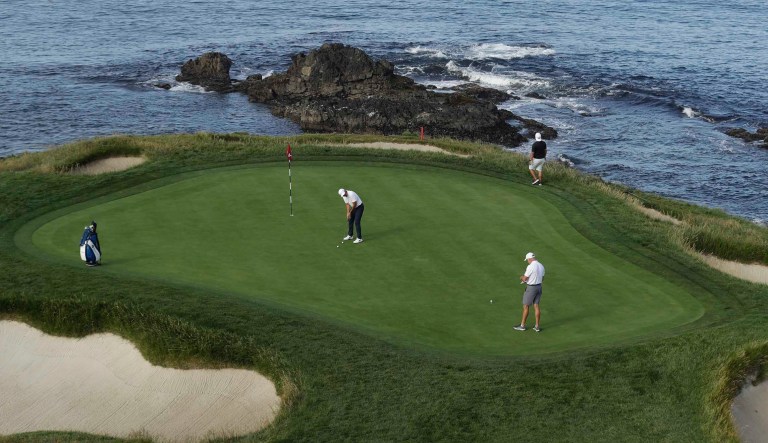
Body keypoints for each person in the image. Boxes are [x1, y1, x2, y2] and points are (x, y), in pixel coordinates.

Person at [514, 252, 545, 332]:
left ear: (530, 259)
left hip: (531, 288)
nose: (527, 261)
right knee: (536, 305)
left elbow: (525, 278)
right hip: (539, 287)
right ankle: (537, 326)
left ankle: (522, 326)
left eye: (527, 260)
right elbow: (542, 278)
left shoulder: (530, 266)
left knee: (526, 306)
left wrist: (521, 277)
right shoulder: (541, 266)